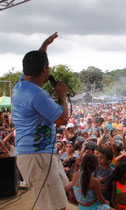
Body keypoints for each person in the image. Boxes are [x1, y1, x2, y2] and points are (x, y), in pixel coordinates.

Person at [11, 32, 69, 210]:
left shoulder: (22, 85)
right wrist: (62, 95)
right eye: (48, 66)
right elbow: (62, 119)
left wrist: (45, 45)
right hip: (39, 157)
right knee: (56, 207)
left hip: (36, 154)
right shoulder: (37, 94)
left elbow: (36, 62)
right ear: (45, 69)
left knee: (60, 193)